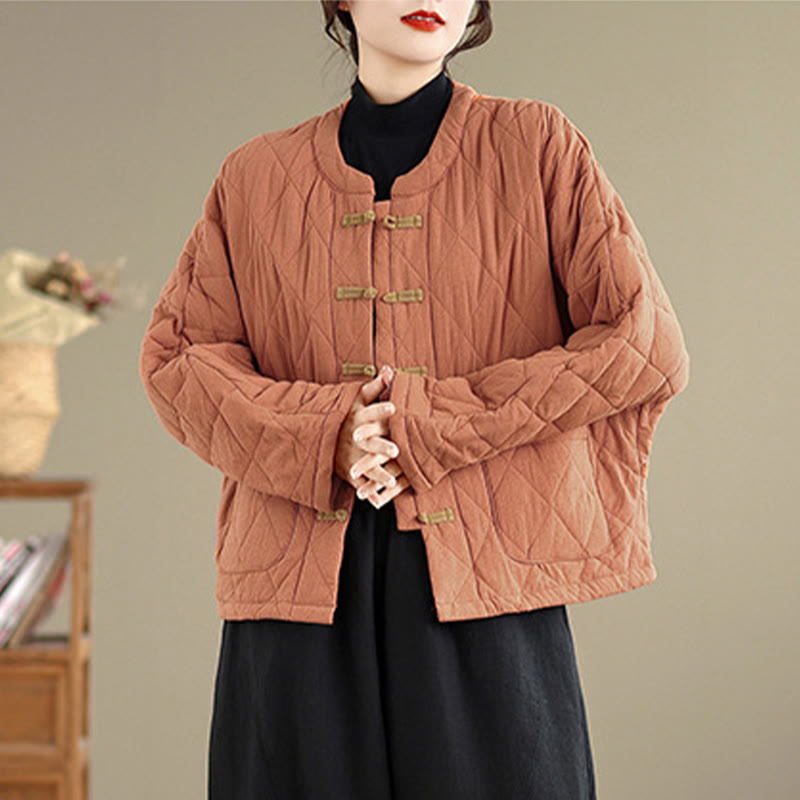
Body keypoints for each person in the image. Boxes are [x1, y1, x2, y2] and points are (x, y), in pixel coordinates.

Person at [207, 2, 596, 798]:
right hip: (294, 590)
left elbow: (640, 343)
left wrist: (435, 426)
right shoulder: (254, 175)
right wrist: (326, 435)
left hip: (484, 581)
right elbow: (181, 357)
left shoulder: (535, 145)